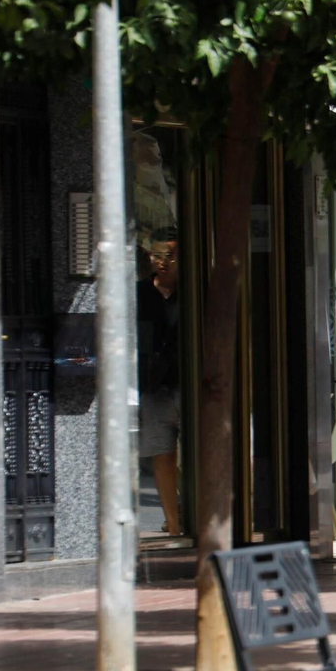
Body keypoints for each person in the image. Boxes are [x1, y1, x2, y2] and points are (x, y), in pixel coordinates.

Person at [137, 227, 183, 537]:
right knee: (162, 454)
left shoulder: (193, 290)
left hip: (190, 385)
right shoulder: (140, 293)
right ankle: (175, 524)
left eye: (169, 256)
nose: (162, 263)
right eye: (157, 256)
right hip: (154, 386)